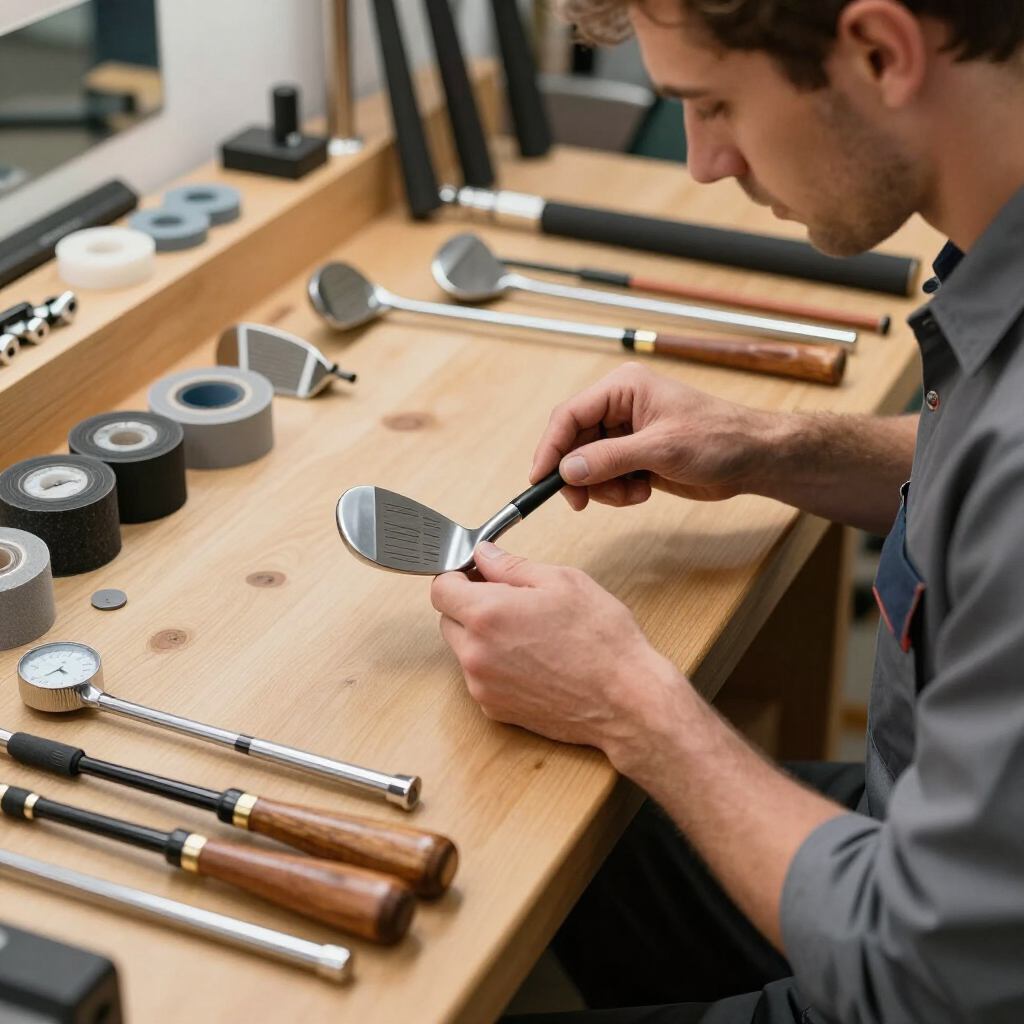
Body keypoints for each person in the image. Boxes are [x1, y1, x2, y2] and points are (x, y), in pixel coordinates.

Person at [429, 1, 1024, 1021]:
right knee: (547, 833)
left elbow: (923, 978)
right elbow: (981, 486)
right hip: (925, 843)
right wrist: (771, 448)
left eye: (713, 106)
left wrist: (628, 699)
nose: (704, 163)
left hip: (924, 970)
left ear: (880, 52)